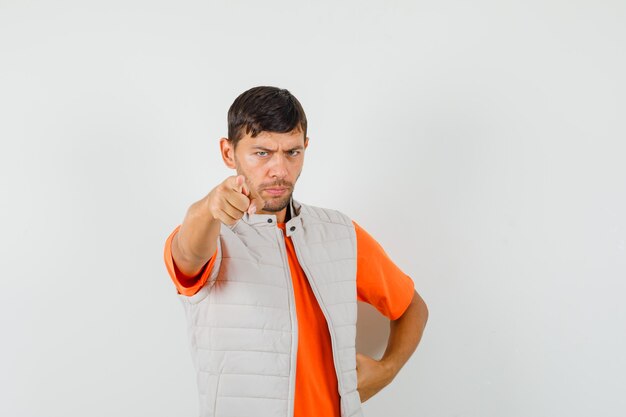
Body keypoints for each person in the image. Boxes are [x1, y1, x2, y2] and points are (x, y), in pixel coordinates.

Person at [163, 86, 428, 417]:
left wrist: (387, 371)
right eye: (261, 153)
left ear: (305, 148)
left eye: (291, 152)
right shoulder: (213, 235)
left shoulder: (339, 233)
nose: (279, 170)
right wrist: (206, 209)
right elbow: (187, 255)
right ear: (229, 153)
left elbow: (412, 306)